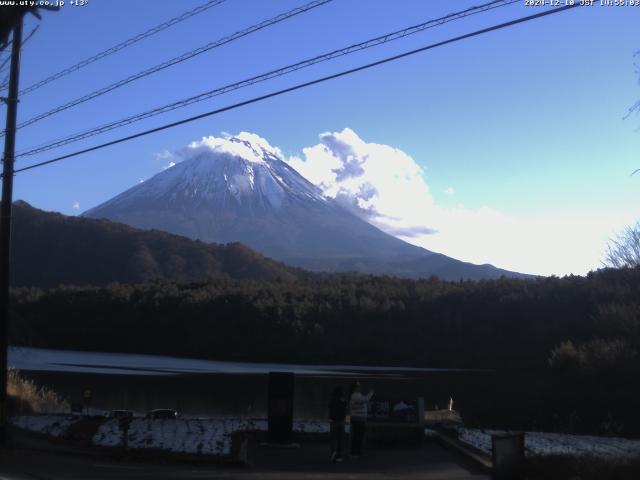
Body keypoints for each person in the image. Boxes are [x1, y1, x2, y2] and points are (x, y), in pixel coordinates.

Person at [348, 380, 374, 457]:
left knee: (358, 436)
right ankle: (355, 452)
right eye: (358, 386)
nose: (359, 387)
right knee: (358, 436)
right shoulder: (355, 395)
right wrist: (370, 393)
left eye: (359, 385)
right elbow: (364, 400)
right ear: (354, 387)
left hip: (359, 418)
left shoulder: (357, 395)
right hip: (357, 418)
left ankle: (356, 451)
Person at [328, 385, 347, 462]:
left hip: (333, 421)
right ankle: (339, 455)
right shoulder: (343, 400)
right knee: (340, 439)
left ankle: (333, 452)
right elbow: (345, 407)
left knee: (333, 439)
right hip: (341, 421)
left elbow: (329, 406)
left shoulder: (332, 399)